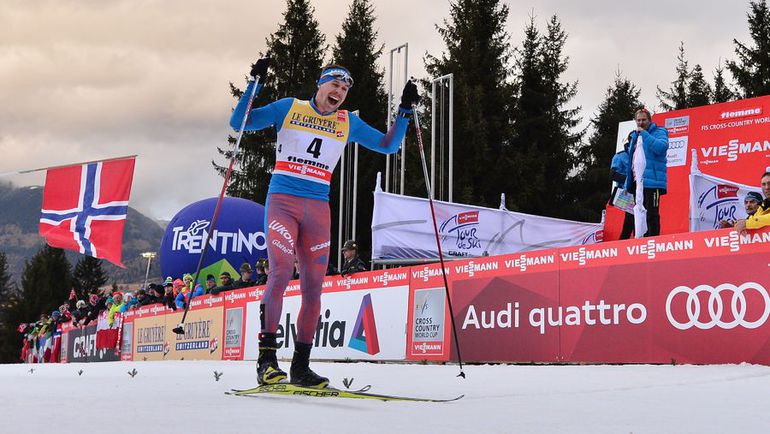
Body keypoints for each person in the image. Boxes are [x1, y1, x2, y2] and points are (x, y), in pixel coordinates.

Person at [230, 58, 418, 387]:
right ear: (320, 84)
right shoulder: (290, 108)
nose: (339, 92)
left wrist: (404, 111)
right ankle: (266, 361)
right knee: (281, 271)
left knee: (314, 289)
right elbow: (239, 123)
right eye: (335, 85)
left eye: (345, 89)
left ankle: (300, 367)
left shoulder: (348, 122)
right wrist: (254, 83)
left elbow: (389, 146)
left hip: (318, 208)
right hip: (283, 203)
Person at [623, 108, 669, 237]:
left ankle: (653, 240)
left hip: (652, 182)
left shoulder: (660, 131)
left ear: (649, 120)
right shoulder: (634, 136)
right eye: (638, 120)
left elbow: (661, 147)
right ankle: (640, 240)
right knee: (635, 214)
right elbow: (632, 161)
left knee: (651, 213)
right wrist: (628, 183)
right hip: (637, 182)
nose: (641, 122)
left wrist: (644, 134)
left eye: (643, 120)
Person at [611, 133, 635, 239]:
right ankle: (624, 244)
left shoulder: (642, 154)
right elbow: (612, 175)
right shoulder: (620, 156)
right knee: (631, 219)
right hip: (625, 192)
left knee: (639, 219)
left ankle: (636, 243)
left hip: (640, 192)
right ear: (630, 141)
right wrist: (629, 180)